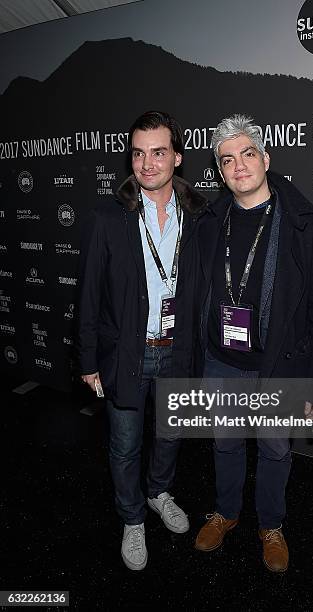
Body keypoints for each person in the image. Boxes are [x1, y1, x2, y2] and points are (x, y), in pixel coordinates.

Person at [194, 114, 313, 572]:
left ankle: (271, 524)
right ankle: (227, 512)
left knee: (276, 448)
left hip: (279, 365)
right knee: (225, 443)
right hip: (221, 362)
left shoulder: (305, 225)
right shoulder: (209, 222)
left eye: (248, 154)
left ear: (266, 158)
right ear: (220, 172)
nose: (239, 166)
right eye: (227, 160)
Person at [77, 110, 208, 571]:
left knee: (171, 435)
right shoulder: (108, 217)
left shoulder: (199, 216)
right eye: (138, 153)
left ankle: (158, 493)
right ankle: (132, 518)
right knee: (124, 444)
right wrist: (90, 360)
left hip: (179, 351)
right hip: (128, 353)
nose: (147, 163)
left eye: (157, 152)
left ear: (177, 156)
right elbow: (89, 294)